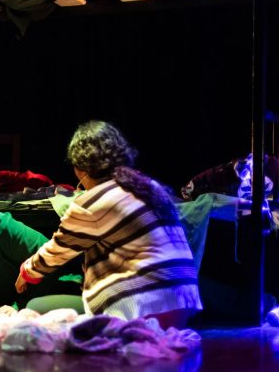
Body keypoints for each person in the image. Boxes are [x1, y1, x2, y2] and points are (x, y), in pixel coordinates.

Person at [15, 120, 202, 329]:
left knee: (36, 307)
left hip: (142, 308)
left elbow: (59, 250)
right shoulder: (151, 188)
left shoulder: (93, 202)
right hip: (183, 305)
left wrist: (27, 271)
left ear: (81, 170)